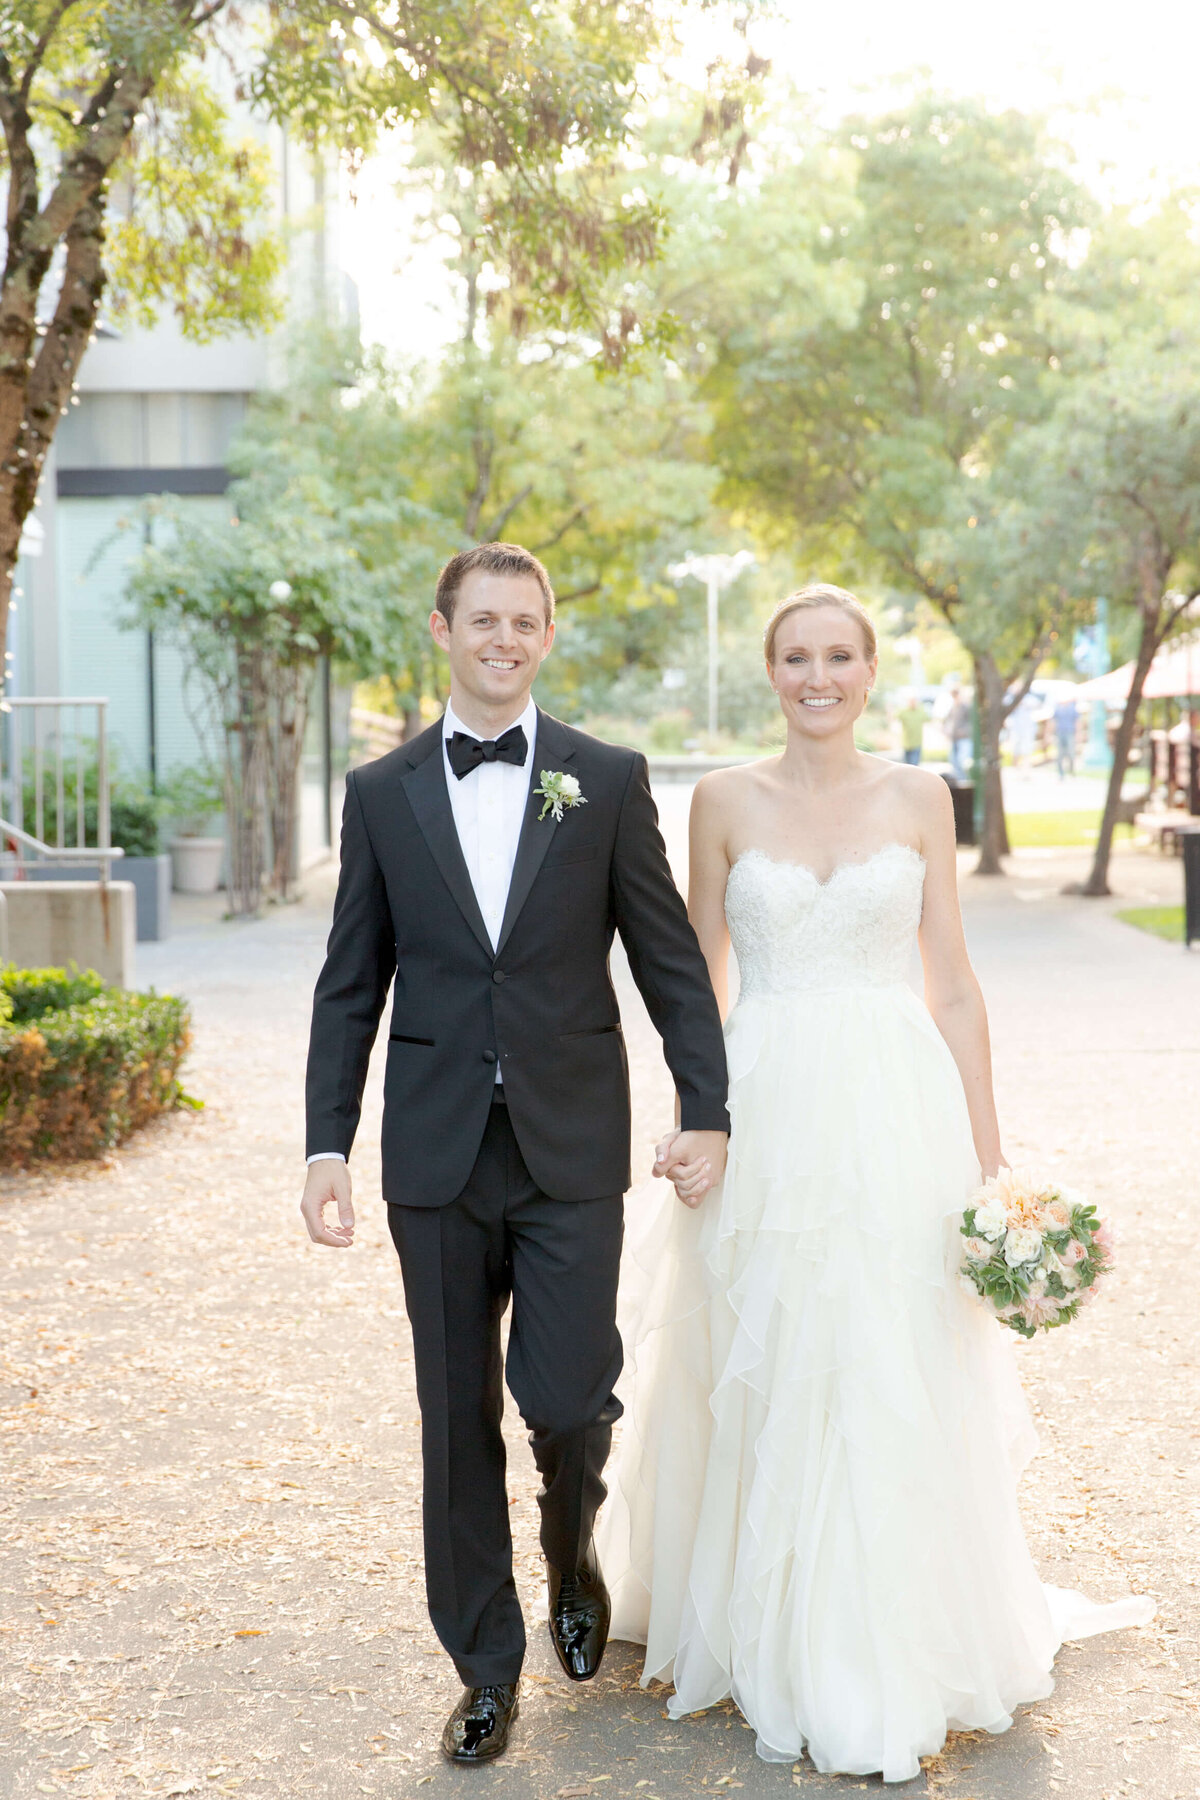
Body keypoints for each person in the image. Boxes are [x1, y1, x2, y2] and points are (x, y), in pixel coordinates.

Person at [597, 583, 1153, 1784]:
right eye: (796, 656)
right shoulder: (726, 801)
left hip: (899, 1112)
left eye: (839, 656)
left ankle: (890, 1628)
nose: (818, 676)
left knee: (891, 1353)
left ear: (868, 671)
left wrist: (991, 1160)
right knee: (773, 1351)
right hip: (767, 1110)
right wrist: (702, 1120)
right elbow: (697, 976)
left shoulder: (918, 796)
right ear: (771, 671)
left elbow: (950, 982)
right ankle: (771, 1626)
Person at [301, 543, 729, 1766]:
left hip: (570, 1145)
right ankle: (485, 1668)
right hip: (433, 1154)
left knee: (563, 1395)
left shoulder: (604, 777)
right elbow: (350, 984)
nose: (502, 640)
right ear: (441, 629)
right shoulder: (382, 793)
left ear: (547, 634)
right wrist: (327, 1140)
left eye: (524, 622)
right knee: (453, 1416)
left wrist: (708, 1106)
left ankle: (572, 1544)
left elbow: (668, 962)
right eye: (481, 620)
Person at [945, 681, 973, 778]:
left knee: (963, 761)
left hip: (964, 738)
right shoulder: (953, 707)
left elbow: (971, 722)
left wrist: (964, 730)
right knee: (954, 762)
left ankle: (965, 780)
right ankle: (960, 780)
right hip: (954, 738)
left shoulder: (965, 706)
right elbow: (948, 720)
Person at [896, 690, 926, 765]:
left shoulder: (920, 712)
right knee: (906, 766)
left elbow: (930, 719)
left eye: (914, 701)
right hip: (906, 743)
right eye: (911, 701)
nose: (913, 702)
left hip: (916, 743)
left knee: (914, 765)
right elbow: (894, 717)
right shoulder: (903, 712)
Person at [1055, 693, 1080, 779]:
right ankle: (1061, 773)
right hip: (1060, 732)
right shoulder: (1058, 708)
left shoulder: (1072, 709)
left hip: (1070, 732)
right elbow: (1053, 721)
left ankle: (1071, 771)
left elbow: (1077, 722)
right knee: (1060, 754)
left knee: (1071, 753)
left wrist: (1078, 733)